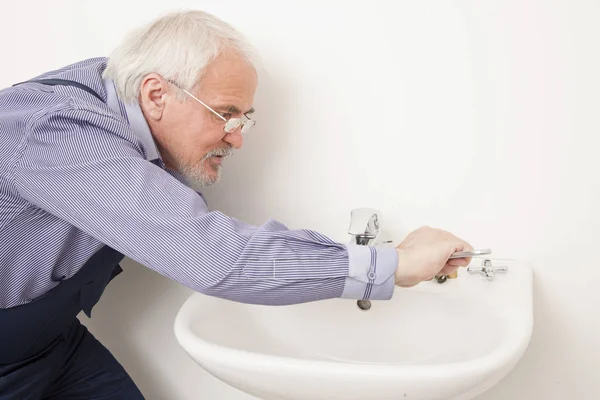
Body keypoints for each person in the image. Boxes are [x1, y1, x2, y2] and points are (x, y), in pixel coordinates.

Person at [0, 9, 473, 400]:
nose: (237, 138)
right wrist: (396, 264)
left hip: (51, 342)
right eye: (225, 115)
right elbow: (217, 259)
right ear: (156, 94)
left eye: (243, 118)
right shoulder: (58, 134)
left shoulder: (118, 93)